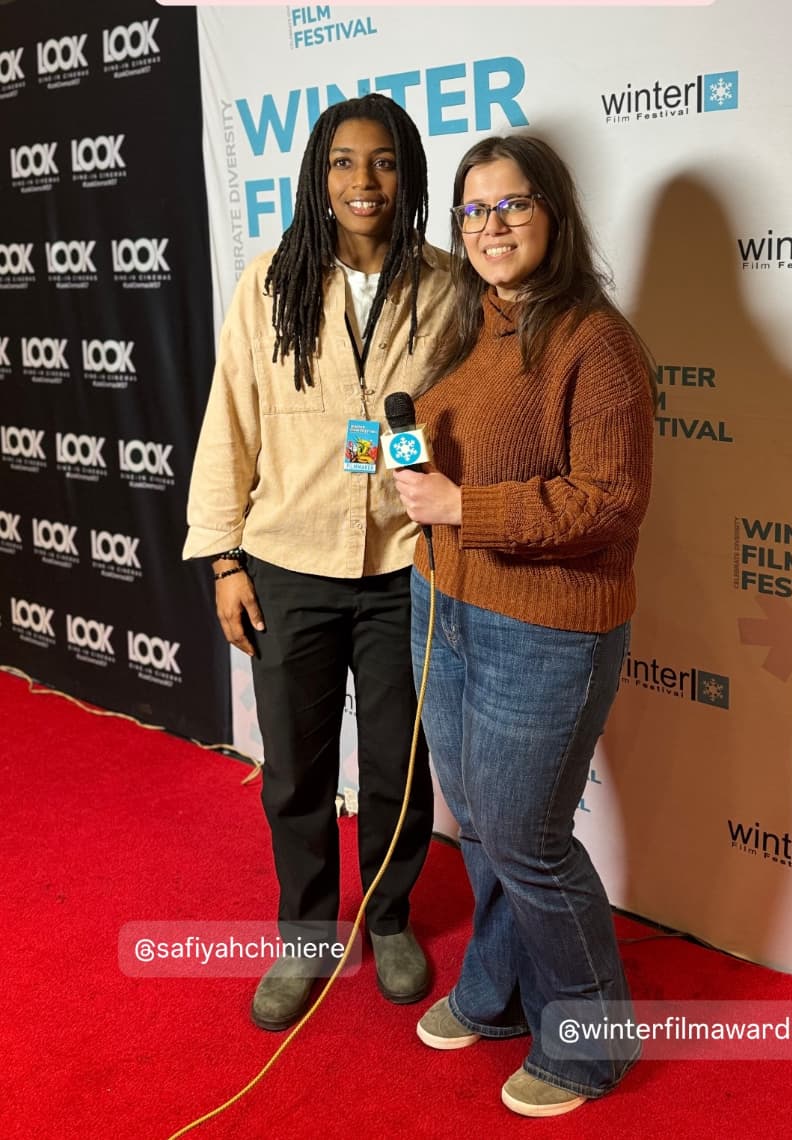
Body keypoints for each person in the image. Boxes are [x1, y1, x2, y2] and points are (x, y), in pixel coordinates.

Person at [392, 135, 654, 1117]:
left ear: (552, 213)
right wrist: (397, 463)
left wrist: (465, 507)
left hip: (542, 631)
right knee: (484, 827)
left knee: (526, 839)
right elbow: (443, 451)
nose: (489, 226)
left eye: (511, 206)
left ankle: (589, 1043)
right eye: (472, 210)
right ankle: (498, 991)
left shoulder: (595, 341)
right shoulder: (468, 324)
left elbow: (610, 501)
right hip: (444, 607)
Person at [183, 94, 454, 1030]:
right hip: (287, 562)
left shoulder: (448, 286)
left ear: (407, 173)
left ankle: (388, 918)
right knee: (294, 769)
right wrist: (224, 560)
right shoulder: (271, 282)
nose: (362, 181)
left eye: (382, 161)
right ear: (316, 175)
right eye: (342, 162)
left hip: (403, 567)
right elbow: (230, 420)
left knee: (396, 764)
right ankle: (304, 933)